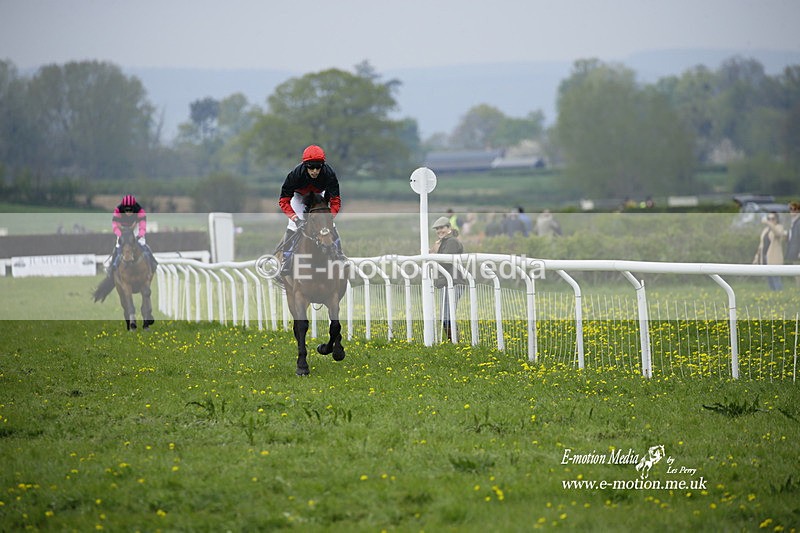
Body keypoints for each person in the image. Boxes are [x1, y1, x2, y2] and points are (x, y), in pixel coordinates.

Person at [277, 145, 344, 278]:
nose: (314, 171)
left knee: (330, 226)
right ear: (305, 165)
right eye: (311, 167)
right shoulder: (294, 175)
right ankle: (286, 259)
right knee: (292, 226)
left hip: (319, 194)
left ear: (322, 166)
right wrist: (296, 218)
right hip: (299, 197)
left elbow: (335, 201)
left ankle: (340, 255)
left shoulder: (329, 174)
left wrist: (329, 217)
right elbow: (283, 201)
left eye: (318, 168)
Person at [430, 216, 465, 341]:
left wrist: (432, 256)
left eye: (442, 228)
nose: (439, 231)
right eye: (437, 229)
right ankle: (454, 341)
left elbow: (446, 262)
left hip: (453, 282)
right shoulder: (444, 242)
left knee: (447, 315)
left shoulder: (452, 242)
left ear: (449, 228)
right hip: (446, 282)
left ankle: (455, 341)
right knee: (446, 315)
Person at [107, 194, 158, 275]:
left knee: (142, 243)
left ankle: (153, 262)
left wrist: (138, 237)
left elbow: (142, 228)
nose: (128, 212)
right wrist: (121, 235)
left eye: (131, 209)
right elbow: (115, 226)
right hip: (122, 228)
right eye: (126, 209)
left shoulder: (140, 211)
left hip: (136, 226)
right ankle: (112, 266)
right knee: (118, 245)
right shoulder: (118, 210)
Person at [752, 211, 786, 291]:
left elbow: (778, 233)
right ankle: (774, 296)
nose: (770, 220)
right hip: (765, 257)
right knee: (770, 280)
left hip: (774, 258)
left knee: (776, 278)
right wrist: (757, 257)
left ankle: (780, 294)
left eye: (772, 218)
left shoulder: (779, 227)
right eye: (769, 218)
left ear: (776, 219)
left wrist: (768, 223)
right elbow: (761, 244)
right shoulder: (766, 230)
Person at [786, 201, 800, 286]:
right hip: (794, 251)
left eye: (794, 209)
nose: (792, 211)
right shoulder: (794, 222)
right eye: (790, 209)